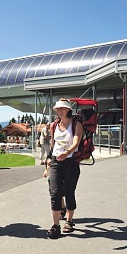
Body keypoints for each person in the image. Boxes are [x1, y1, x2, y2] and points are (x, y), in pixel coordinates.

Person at [45, 98, 83, 239]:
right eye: (57, 109)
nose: (59, 111)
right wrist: (49, 159)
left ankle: (69, 221)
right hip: (56, 161)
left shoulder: (76, 124)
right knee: (55, 192)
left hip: (71, 162)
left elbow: (76, 142)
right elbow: (53, 145)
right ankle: (55, 225)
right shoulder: (54, 125)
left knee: (69, 191)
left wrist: (67, 152)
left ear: (68, 109)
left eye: (62, 108)